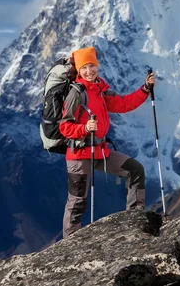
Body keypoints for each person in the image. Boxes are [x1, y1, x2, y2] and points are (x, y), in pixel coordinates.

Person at [59, 46, 155, 238]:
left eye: (92, 66)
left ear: (97, 66)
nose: (89, 71)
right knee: (77, 201)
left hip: (99, 150)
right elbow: (65, 127)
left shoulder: (101, 90)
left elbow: (123, 103)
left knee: (135, 170)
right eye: (84, 67)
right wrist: (85, 129)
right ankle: (68, 246)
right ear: (78, 70)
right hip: (79, 154)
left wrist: (145, 89)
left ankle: (135, 222)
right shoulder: (76, 93)